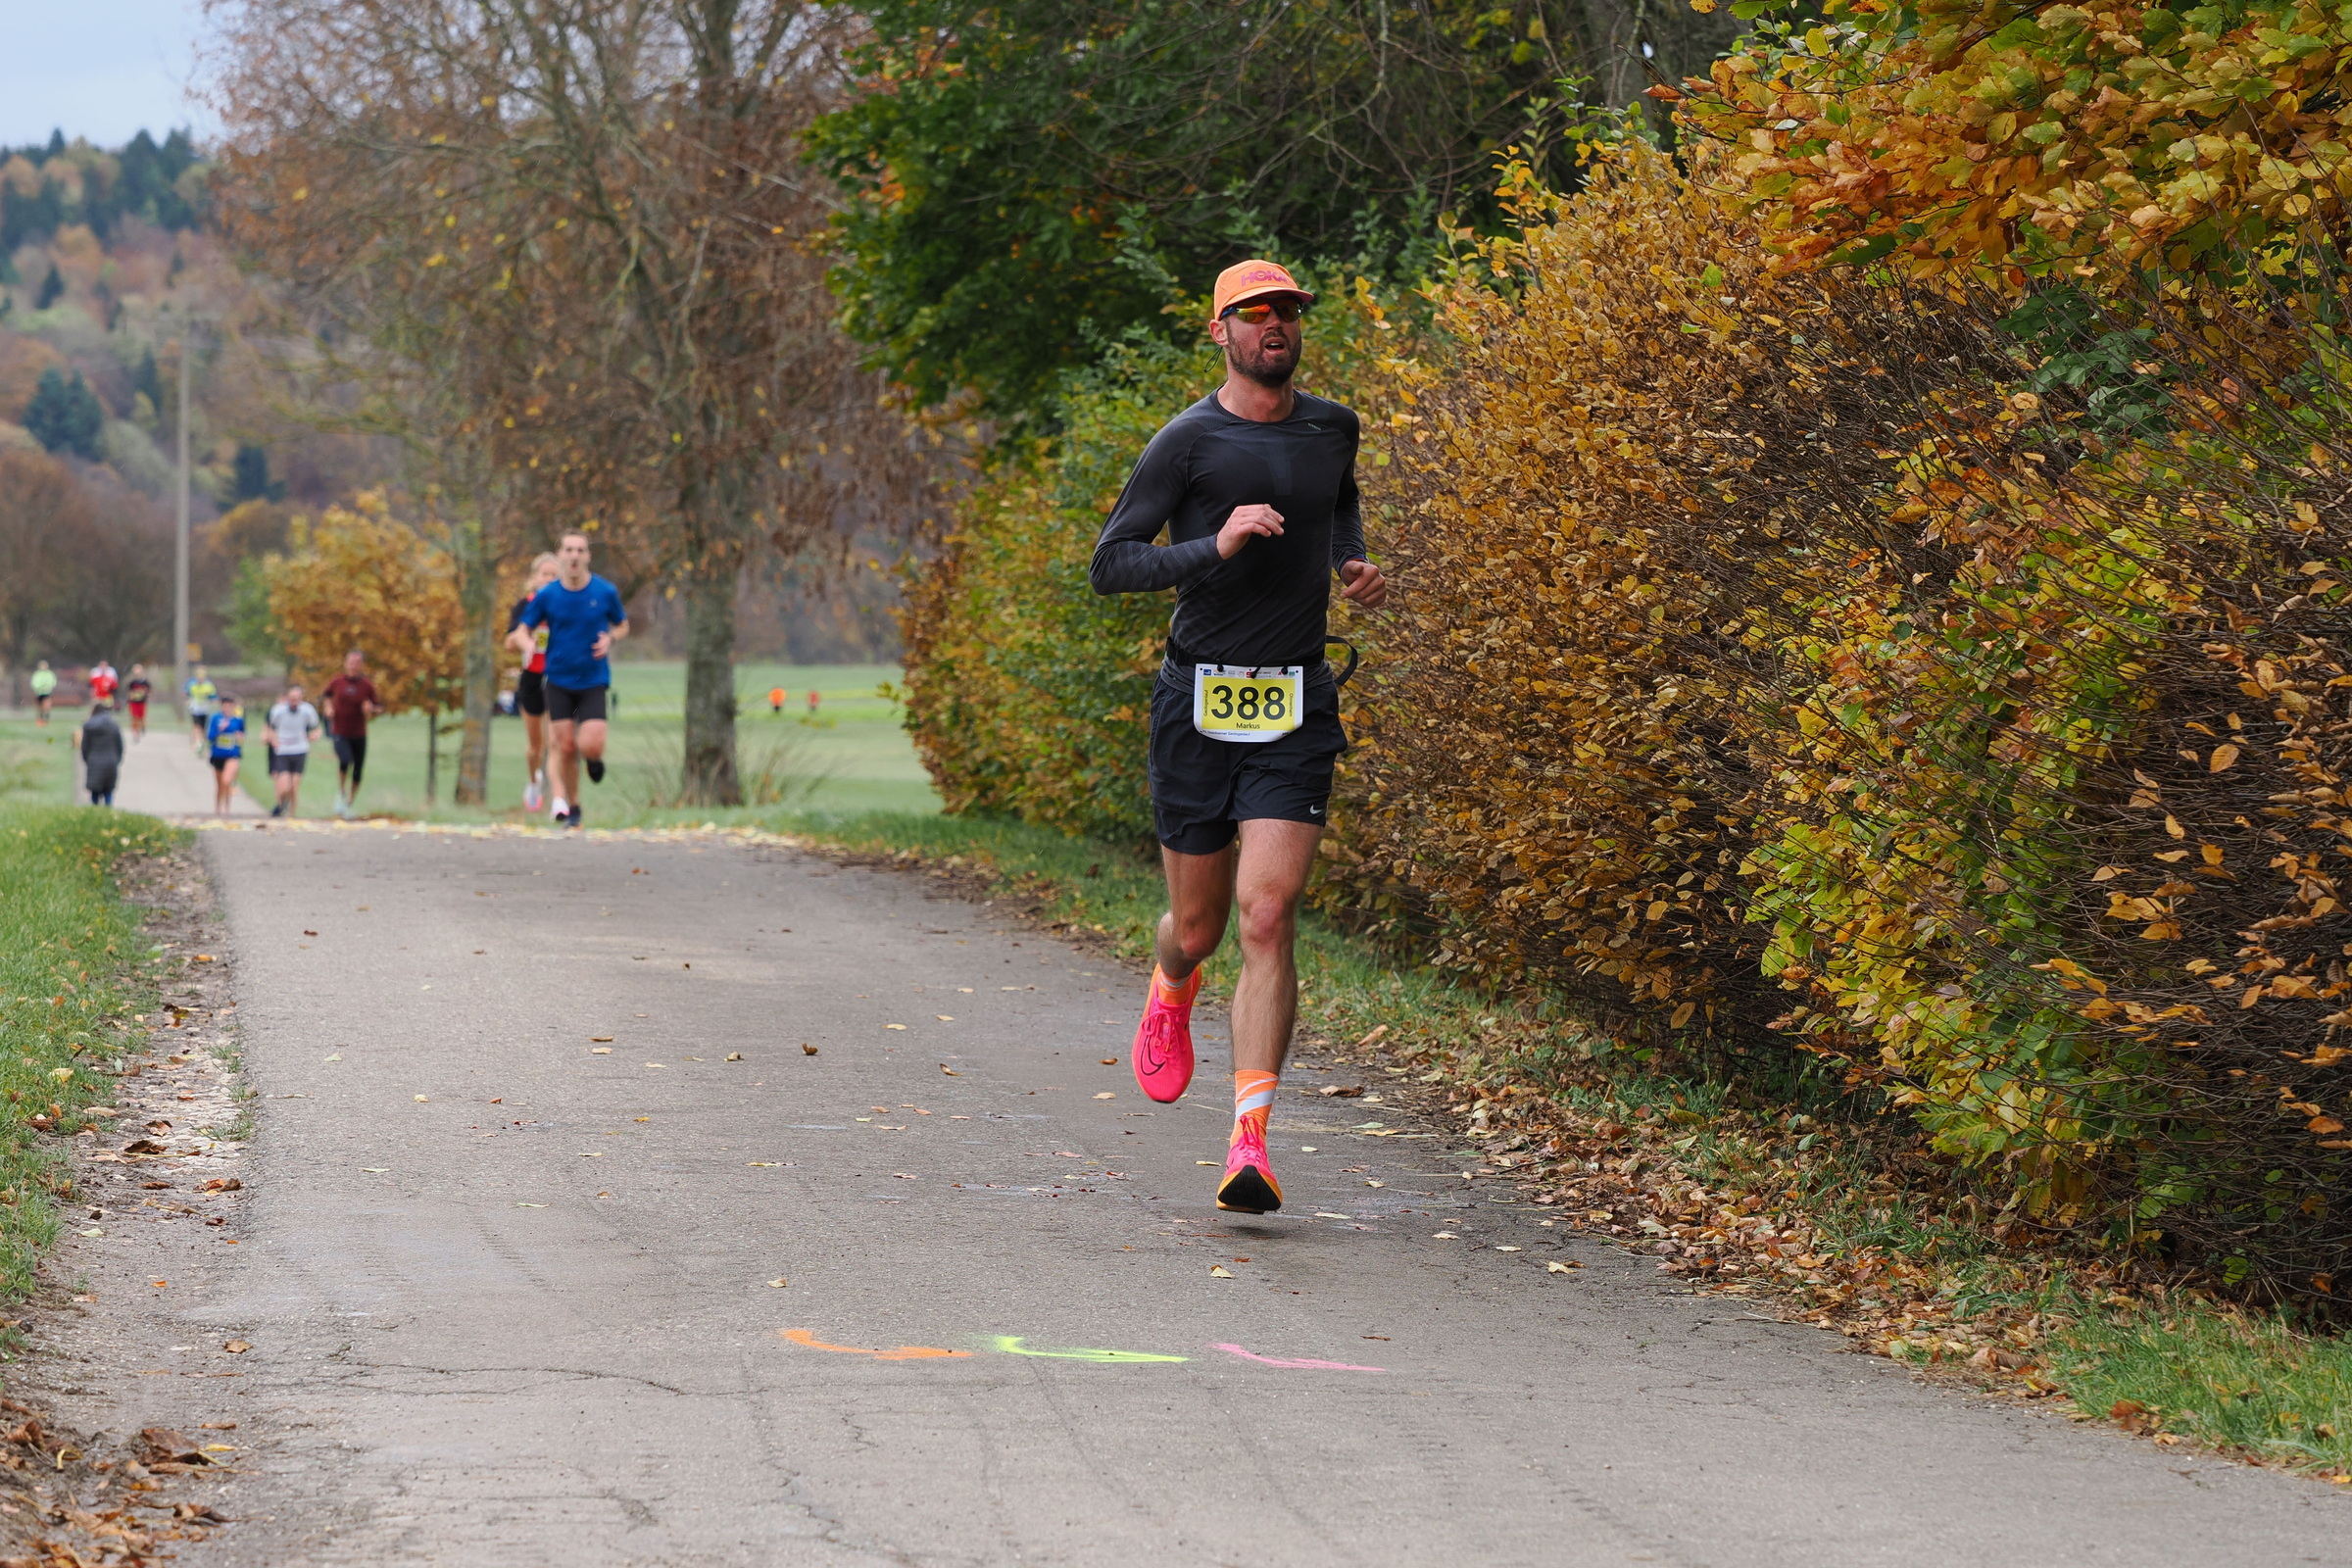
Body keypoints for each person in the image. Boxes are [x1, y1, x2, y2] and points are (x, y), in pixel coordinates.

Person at [1087, 260, 1390, 1214]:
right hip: (1197, 703)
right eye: (1254, 313)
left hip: (1296, 700)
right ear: (1220, 331)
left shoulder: (1333, 427)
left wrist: (1351, 560)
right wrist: (1212, 546)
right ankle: (1173, 981)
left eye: (1288, 311)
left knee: (1266, 914)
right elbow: (1111, 565)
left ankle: (1249, 1143)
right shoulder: (1186, 441)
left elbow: (1338, 502)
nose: (1275, 325)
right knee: (1203, 926)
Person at [520, 531, 628, 829]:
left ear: (588, 556)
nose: (575, 555)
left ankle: (593, 759)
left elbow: (622, 625)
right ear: (561, 556)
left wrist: (611, 638)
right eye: (569, 549)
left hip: (593, 679)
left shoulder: (605, 591)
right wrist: (527, 644)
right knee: (565, 747)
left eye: (580, 550)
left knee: (591, 745)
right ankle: (574, 806)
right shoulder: (548, 595)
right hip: (558, 680)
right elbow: (523, 628)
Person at [504, 553, 560, 813]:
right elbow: (509, 641)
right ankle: (534, 781)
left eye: (554, 575)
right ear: (535, 578)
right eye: (545, 574)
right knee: (536, 746)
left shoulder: (564, 606)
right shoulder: (525, 605)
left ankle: (558, 797)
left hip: (558, 677)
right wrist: (526, 640)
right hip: (532, 678)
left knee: (557, 741)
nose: (549, 579)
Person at [320, 650, 383, 818]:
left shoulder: (366, 685)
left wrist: (371, 709)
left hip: (359, 733)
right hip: (340, 730)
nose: (353, 666)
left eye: (357, 663)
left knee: (358, 770)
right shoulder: (337, 681)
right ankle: (341, 792)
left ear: (361, 665)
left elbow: (379, 707)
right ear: (345, 663)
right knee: (345, 759)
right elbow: (326, 695)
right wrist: (328, 707)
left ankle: (348, 803)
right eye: (350, 662)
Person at [264, 681, 323, 818]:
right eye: (292, 698)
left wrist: (315, 735)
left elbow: (316, 728)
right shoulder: (278, 711)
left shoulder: (307, 710)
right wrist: (274, 740)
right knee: (284, 787)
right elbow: (271, 728)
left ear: (301, 698)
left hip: (300, 750)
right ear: (287, 698)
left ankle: (292, 815)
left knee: (294, 787)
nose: (294, 702)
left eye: (297, 699)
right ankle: (281, 806)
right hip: (283, 751)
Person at [77, 701, 123, 807]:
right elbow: (119, 745)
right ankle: (108, 810)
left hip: (94, 761)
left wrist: (88, 760)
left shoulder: (88, 726)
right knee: (108, 790)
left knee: (95, 791)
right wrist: (116, 760)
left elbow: (85, 747)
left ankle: (95, 810)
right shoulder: (114, 725)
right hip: (111, 761)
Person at [207, 696, 246, 816]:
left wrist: (239, 737)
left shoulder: (238, 720)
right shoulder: (216, 718)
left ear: (233, 707)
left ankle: (227, 809)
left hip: (233, 755)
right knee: (220, 785)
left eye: (229, 706)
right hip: (218, 755)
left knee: (227, 780)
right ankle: (218, 809)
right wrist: (219, 730)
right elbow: (210, 736)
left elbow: (242, 735)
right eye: (224, 706)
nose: (227, 709)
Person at [123, 663, 153, 740]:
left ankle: (142, 727)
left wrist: (147, 695)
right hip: (133, 702)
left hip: (142, 702)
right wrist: (131, 696)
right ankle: (136, 732)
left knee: (142, 717)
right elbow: (128, 691)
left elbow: (149, 691)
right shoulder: (132, 682)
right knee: (134, 717)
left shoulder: (145, 682)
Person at [28, 662, 55, 726]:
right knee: (40, 708)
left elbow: (52, 682)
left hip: (47, 692)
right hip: (39, 693)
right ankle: (40, 719)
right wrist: (38, 687)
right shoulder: (37, 674)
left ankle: (46, 719)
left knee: (47, 707)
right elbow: (34, 683)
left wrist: (47, 687)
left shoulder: (49, 674)